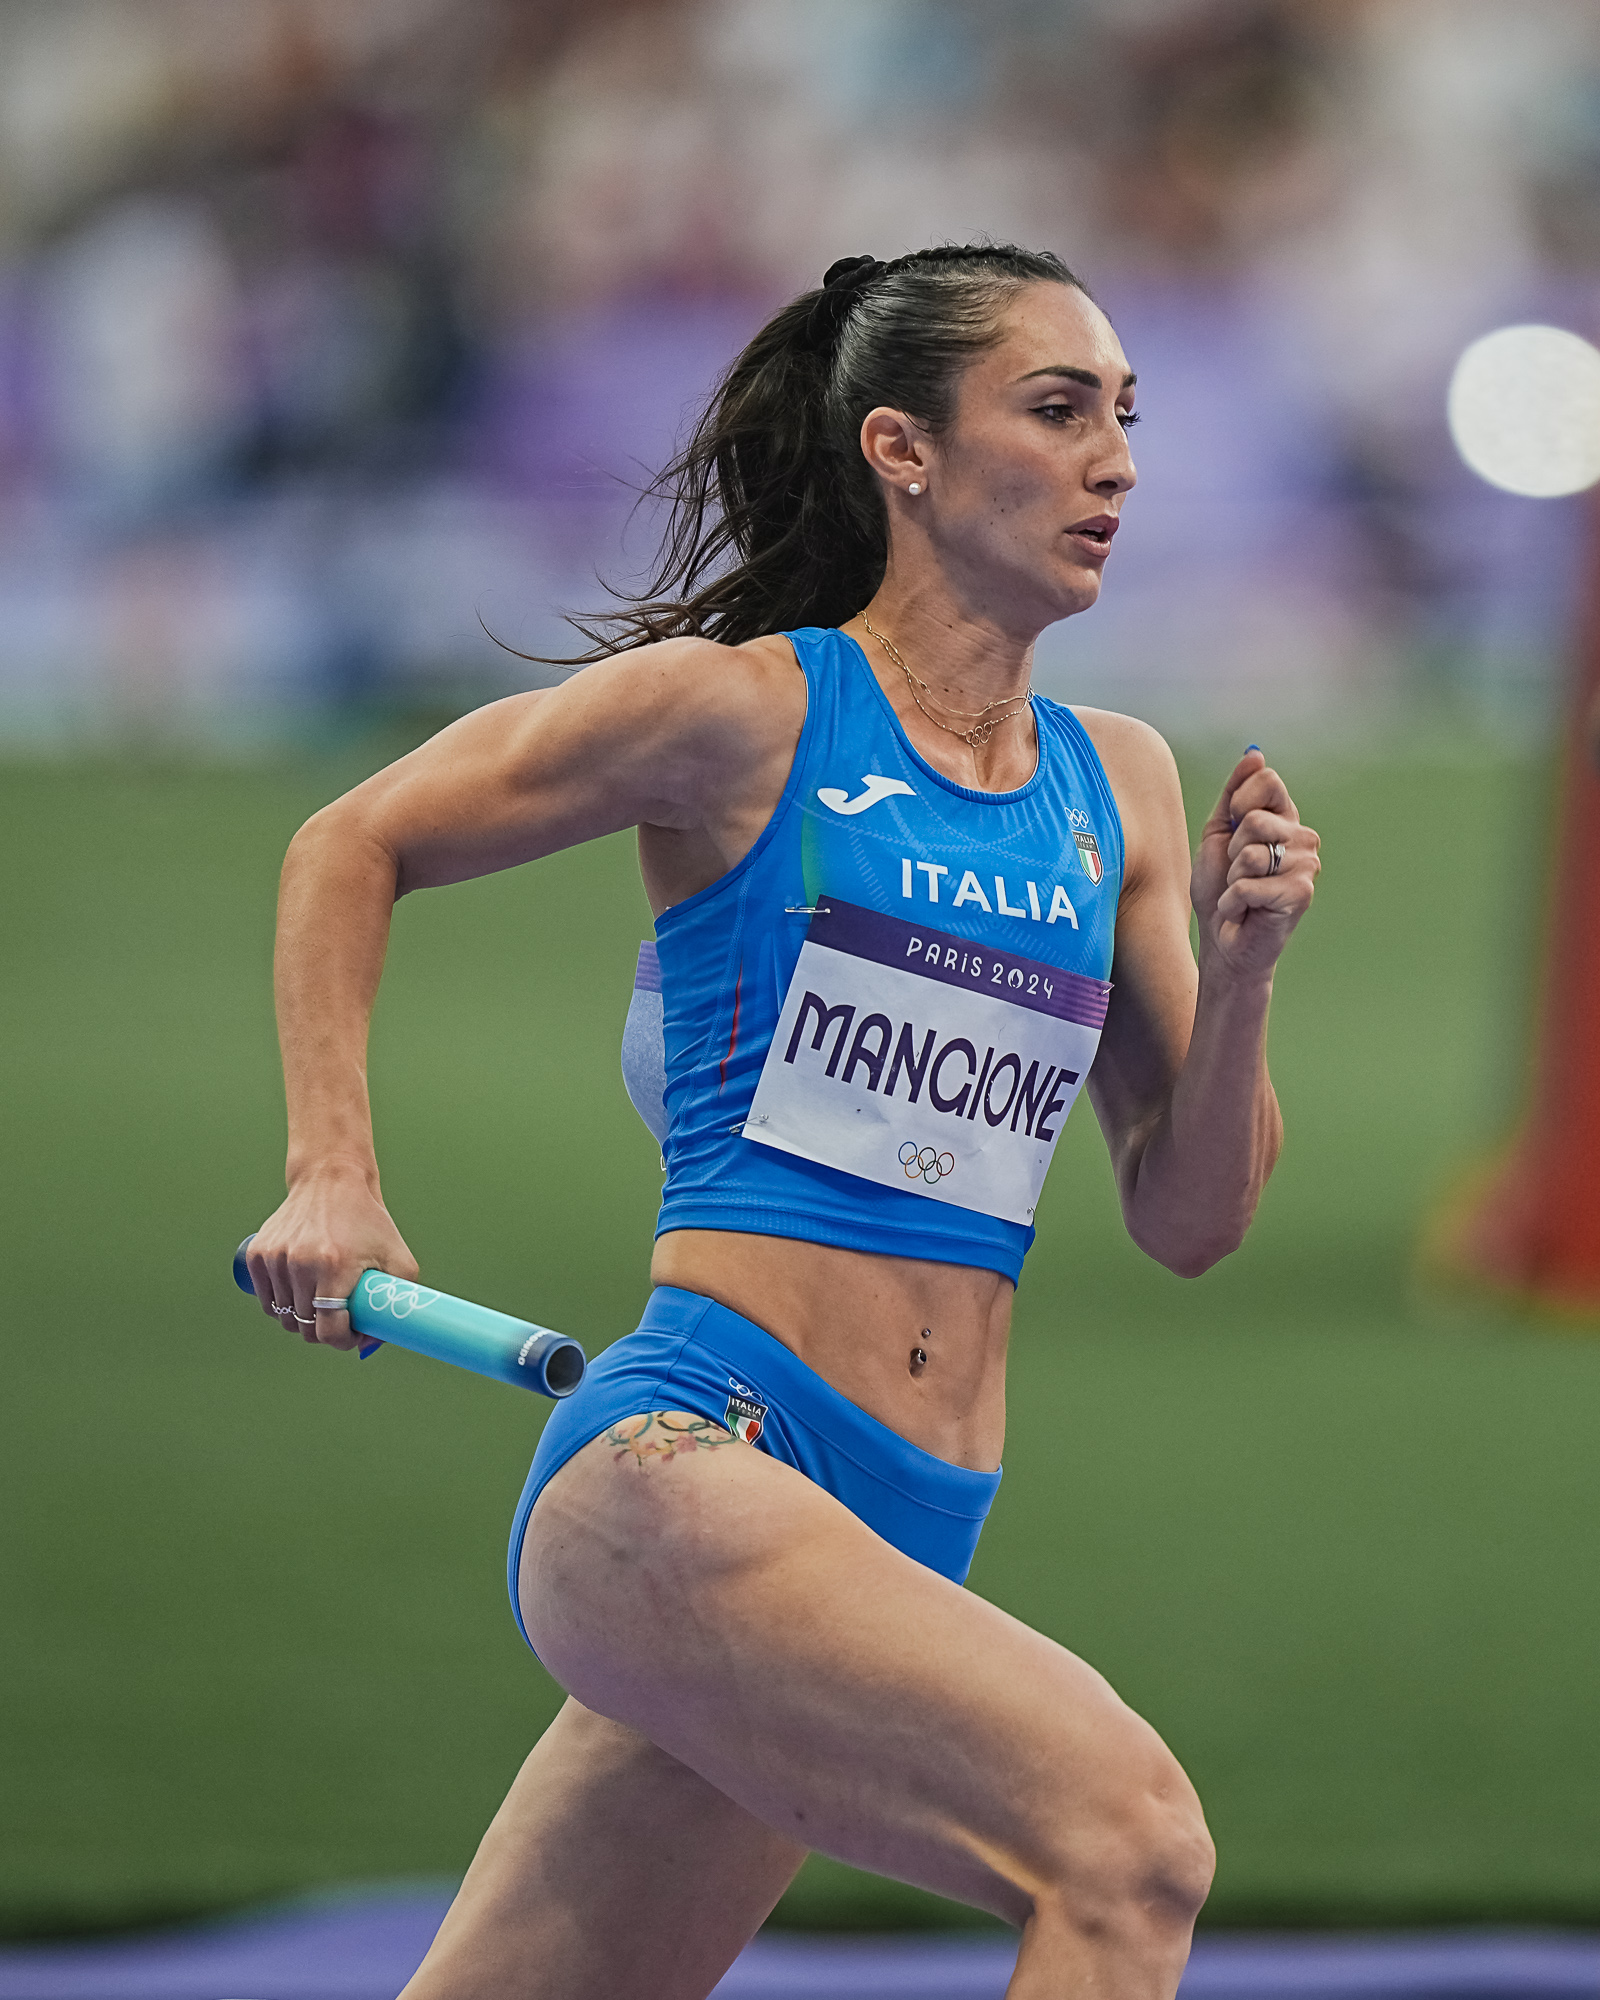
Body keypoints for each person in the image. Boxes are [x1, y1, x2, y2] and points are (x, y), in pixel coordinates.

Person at [247, 244, 1320, 2000]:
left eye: (1127, 415)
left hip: (899, 1524)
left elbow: (1192, 1220)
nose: (1117, 461)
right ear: (904, 451)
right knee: (1129, 1851)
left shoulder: (1117, 781)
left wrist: (1245, 966)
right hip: (695, 1467)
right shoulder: (743, 711)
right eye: (1059, 412)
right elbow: (350, 842)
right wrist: (333, 1177)